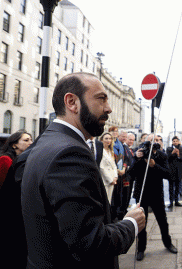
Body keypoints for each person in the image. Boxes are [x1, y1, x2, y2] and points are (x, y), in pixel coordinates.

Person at [21, 72, 146, 269]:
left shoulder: (48, 141)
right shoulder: (69, 154)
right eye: (101, 99)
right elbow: (91, 243)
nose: (109, 108)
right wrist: (130, 224)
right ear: (72, 102)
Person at [131, 134, 177, 261]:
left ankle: (168, 243)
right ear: (145, 142)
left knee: (162, 221)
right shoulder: (138, 153)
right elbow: (131, 173)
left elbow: (168, 174)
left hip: (157, 193)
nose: (155, 142)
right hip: (142, 193)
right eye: (152, 140)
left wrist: (154, 165)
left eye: (157, 140)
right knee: (141, 223)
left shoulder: (162, 156)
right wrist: (137, 158)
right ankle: (141, 248)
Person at [0, 130, 33, 268]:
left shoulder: (23, 160)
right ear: (14, 145)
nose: (30, 143)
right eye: (26, 140)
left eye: (31, 139)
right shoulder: (5, 160)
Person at [166, 136, 182, 208]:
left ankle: (177, 201)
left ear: (178, 141)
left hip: (179, 171)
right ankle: (171, 202)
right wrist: (172, 153)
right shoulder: (169, 149)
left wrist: (178, 155)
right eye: (174, 141)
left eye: (176, 141)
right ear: (172, 142)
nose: (175, 142)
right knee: (171, 188)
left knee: (177, 187)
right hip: (171, 171)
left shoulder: (181, 149)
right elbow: (167, 159)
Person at [99, 132, 118, 202]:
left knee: (109, 201)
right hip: (105, 180)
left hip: (112, 179)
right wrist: (110, 179)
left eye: (110, 138)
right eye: (106, 138)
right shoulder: (100, 151)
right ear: (101, 140)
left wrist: (115, 177)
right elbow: (102, 167)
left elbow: (114, 165)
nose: (108, 140)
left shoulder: (111, 151)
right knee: (104, 201)